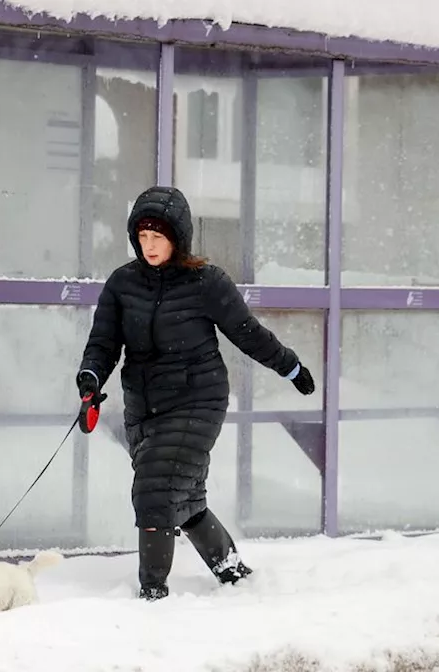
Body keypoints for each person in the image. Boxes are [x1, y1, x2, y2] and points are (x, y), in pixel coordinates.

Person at [75, 185, 316, 600]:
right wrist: (91, 378)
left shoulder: (206, 282)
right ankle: (232, 569)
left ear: (178, 237)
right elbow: (103, 344)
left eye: (158, 236)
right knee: (182, 496)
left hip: (197, 399)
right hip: (143, 406)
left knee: (154, 487)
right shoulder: (122, 284)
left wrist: (290, 366)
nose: (149, 246)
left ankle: (152, 594)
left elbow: (248, 334)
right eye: (143, 237)